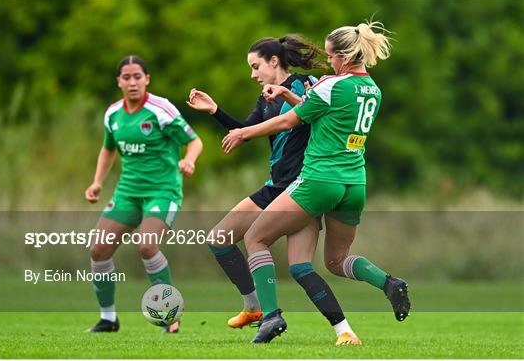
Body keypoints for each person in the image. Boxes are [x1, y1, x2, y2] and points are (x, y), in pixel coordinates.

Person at [222, 20, 411, 345]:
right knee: (336, 261)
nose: (329, 62)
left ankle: (270, 317)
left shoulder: (331, 85)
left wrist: (243, 132)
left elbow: (287, 121)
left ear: (344, 56)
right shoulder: (373, 90)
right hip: (355, 183)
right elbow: (321, 112)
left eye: (331, 56)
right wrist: (285, 92)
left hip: (320, 180)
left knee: (255, 238)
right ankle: (389, 283)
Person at [188, 36, 354, 343]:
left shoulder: (307, 83)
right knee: (222, 240)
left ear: (274, 61)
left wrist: (288, 96)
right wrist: (214, 111)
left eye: (256, 66)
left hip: (301, 184)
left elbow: (306, 117)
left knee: (296, 264)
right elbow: (244, 131)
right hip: (277, 185)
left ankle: (275, 316)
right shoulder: (265, 97)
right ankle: (262, 310)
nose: (253, 74)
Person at [84, 55, 203, 333]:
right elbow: (108, 149)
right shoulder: (113, 114)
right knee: (98, 250)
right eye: (126, 77)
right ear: (119, 82)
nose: (132, 82)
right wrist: (97, 182)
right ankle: (108, 319)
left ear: (146, 79)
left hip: (163, 191)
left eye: (137, 76)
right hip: (128, 192)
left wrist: (190, 160)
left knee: (147, 246)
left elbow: (194, 140)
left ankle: (169, 316)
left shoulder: (161, 109)